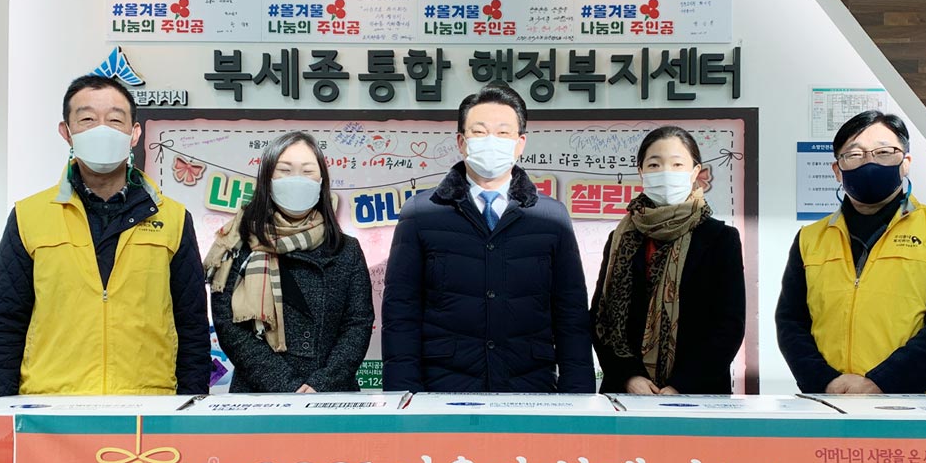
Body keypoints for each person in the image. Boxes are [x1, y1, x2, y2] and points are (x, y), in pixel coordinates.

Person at [0, 75, 210, 397]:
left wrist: (188, 405)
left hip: (149, 405)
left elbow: (192, 326)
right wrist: (1, 408)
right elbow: (4, 323)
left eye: (115, 120)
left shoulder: (173, 218)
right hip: (50, 406)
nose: (102, 129)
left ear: (134, 133)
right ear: (67, 132)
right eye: (87, 119)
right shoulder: (29, 216)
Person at [382, 83, 593, 393]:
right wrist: (404, 395)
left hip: (530, 387)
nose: (491, 141)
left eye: (503, 133)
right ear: (461, 141)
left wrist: (578, 395)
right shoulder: (421, 213)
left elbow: (571, 314)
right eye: (479, 132)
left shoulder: (552, 217)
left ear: (520, 143)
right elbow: (401, 311)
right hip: (443, 387)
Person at [775, 111, 926, 394]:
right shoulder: (810, 238)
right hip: (831, 400)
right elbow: (791, 322)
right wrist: (825, 382)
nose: (869, 162)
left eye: (884, 152)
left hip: (917, 404)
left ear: (905, 163)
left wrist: (881, 383)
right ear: (837, 170)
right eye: (854, 154)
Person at [203, 131, 373, 392]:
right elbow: (229, 326)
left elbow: (358, 324)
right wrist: (287, 385)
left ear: (321, 181)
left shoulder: (346, 249)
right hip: (259, 395)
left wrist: (321, 383)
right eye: (285, 170)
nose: (297, 180)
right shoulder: (237, 242)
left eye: (307, 171)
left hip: (331, 395)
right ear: (267, 180)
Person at [591, 126, 745, 395]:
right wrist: (629, 377)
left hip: (698, 395)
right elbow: (600, 317)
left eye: (677, 164)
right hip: (627, 392)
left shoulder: (720, 239)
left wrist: (680, 385)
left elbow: (728, 325)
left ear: (695, 172)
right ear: (641, 171)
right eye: (654, 164)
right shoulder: (620, 238)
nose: (665, 172)